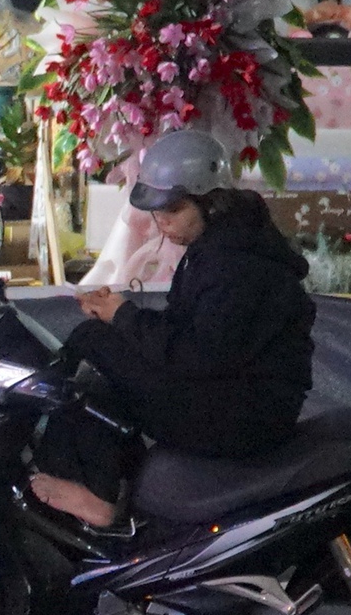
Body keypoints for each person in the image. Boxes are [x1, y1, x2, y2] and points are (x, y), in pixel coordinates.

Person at [30, 129, 316, 529]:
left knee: (92, 343)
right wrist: (120, 319)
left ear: (211, 203)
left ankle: (94, 494)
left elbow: (199, 354)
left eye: (173, 210)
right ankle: (106, 484)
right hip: (226, 395)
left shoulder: (236, 264)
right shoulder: (220, 246)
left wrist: (124, 317)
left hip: (242, 416)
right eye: (156, 213)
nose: (162, 222)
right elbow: (190, 333)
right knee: (98, 351)